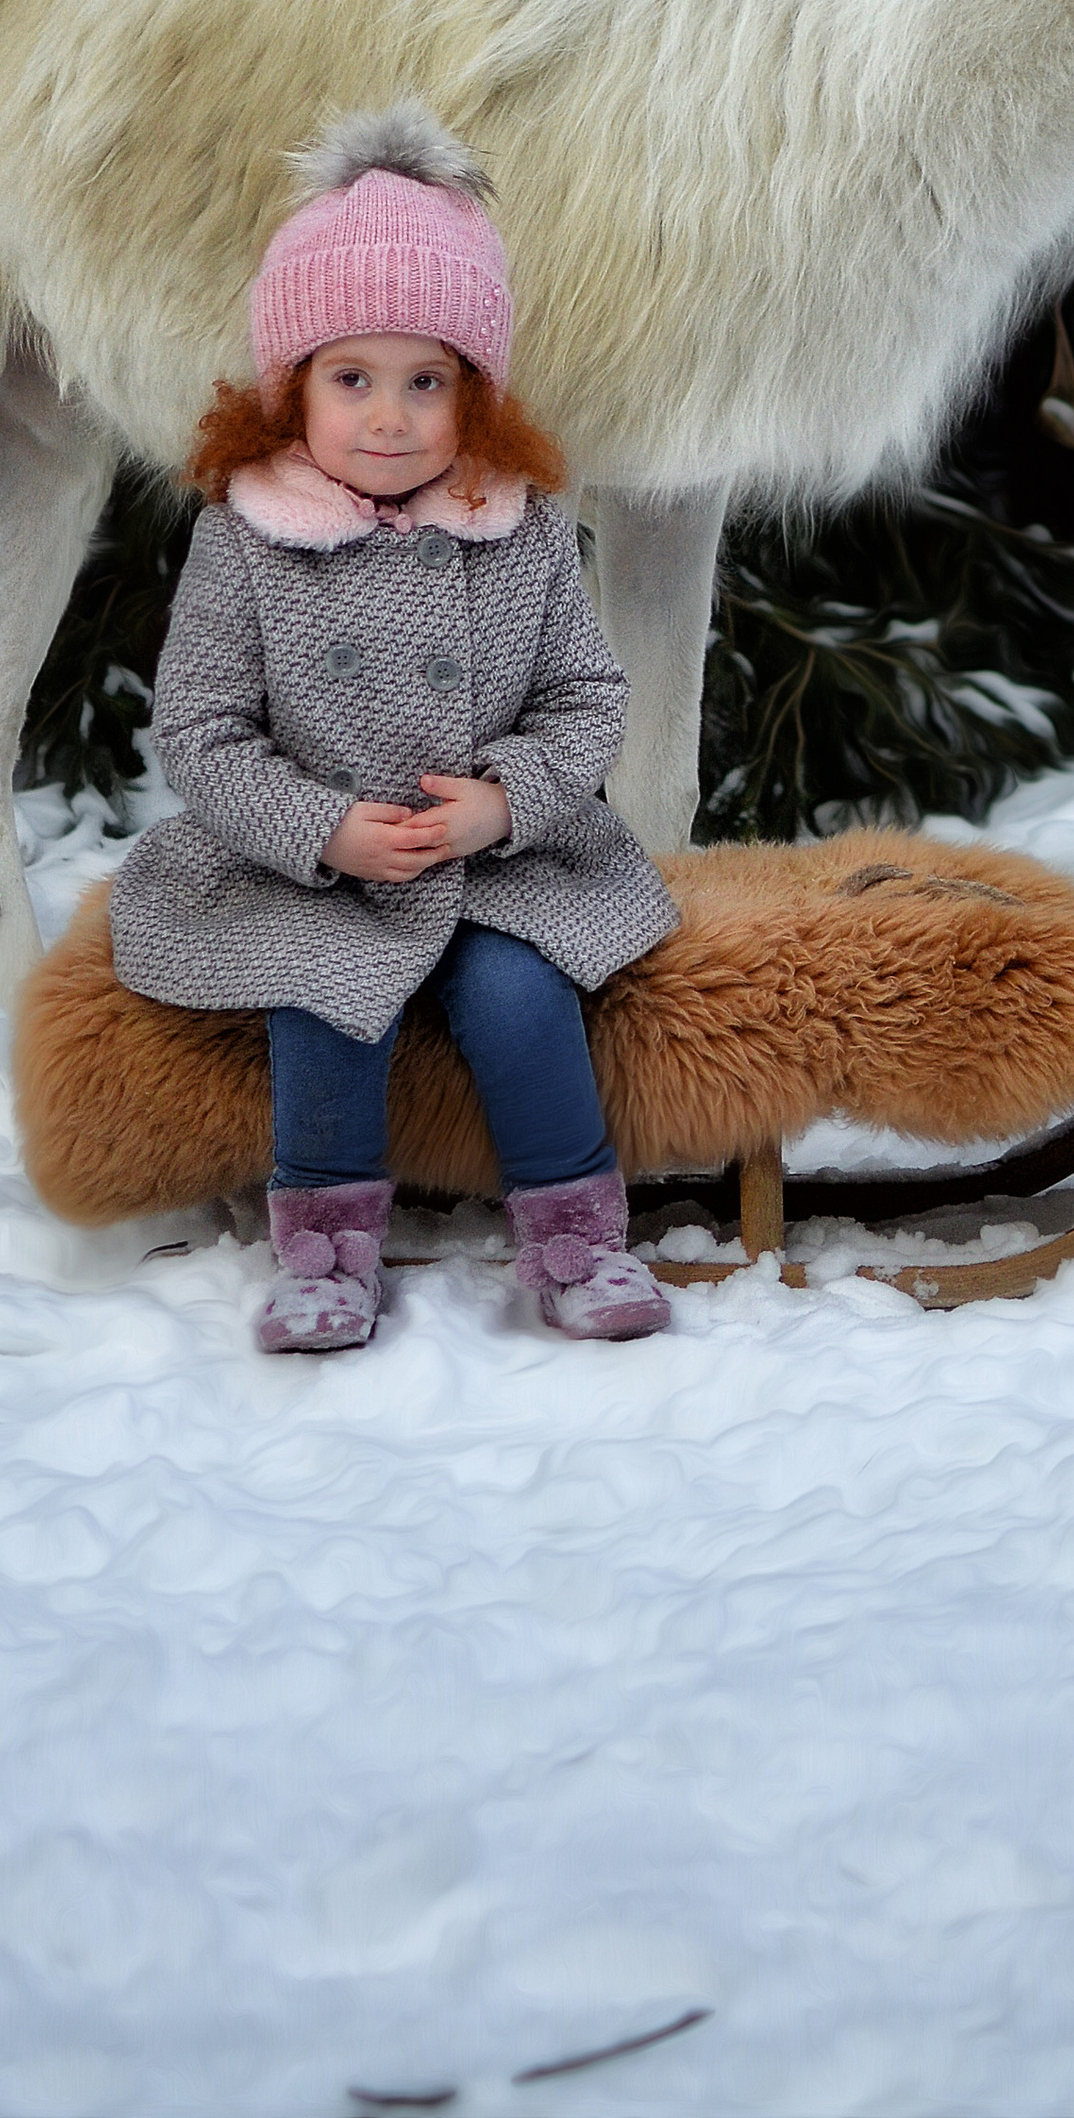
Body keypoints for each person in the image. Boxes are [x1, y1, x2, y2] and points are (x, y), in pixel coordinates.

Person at [108, 105, 680, 1354]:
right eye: (351, 378)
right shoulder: (246, 534)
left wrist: (505, 799)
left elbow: (586, 695)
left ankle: (580, 1234)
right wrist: (321, 829)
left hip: (490, 864)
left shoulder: (514, 526)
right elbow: (201, 730)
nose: (389, 416)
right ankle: (323, 1248)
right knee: (324, 997)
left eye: (427, 382)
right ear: (291, 388)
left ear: (471, 394)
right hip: (313, 869)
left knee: (519, 990)